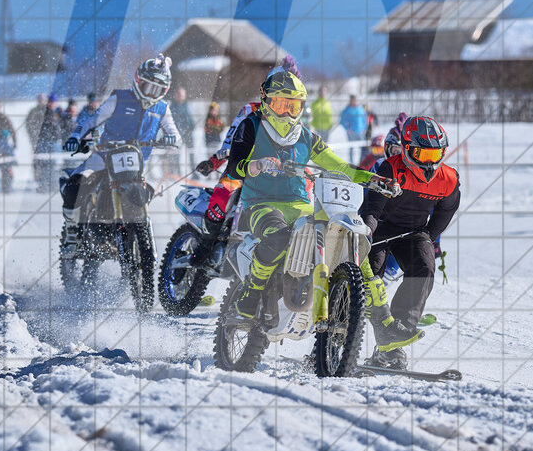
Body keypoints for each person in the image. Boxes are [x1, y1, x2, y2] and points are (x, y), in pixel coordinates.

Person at [221, 71, 397, 324]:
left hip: (301, 205)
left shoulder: (306, 137)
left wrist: (375, 180)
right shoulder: (250, 126)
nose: (286, 113)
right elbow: (233, 167)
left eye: (293, 107)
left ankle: (374, 309)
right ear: (266, 101)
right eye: (280, 105)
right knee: (279, 237)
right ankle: (250, 294)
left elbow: (341, 166)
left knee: (338, 235)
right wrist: (257, 165)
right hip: (261, 204)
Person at [359, 116, 461, 369]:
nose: (429, 162)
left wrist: (428, 236)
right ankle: (339, 334)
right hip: (379, 228)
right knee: (371, 276)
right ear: (406, 148)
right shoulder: (389, 169)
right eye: (422, 154)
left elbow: (446, 210)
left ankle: (394, 338)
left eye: (434, 155)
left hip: (413, 232)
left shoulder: (449, 179)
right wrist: (367, 231)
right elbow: (372, 207)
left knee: (424, 268)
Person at [59, 55, 180, 257]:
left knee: (147, 193)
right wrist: (75, 136)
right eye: (149, 87)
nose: (152, 93)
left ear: (165, 91)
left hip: (136, 165)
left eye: (158, 89)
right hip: (104, 157)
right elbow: (91, 121)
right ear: (138, 81)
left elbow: (176, 135)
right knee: (75, 185)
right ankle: (72, 235)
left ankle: (135, 238)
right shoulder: (119, 98)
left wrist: (171, 139)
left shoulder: (162, 108)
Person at [191, 55, 304, 266]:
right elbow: (231, 141)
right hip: (246, 170)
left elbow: (302, 150)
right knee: (224, 192)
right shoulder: (249, 110)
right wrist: (216, 160)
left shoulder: (297, 119)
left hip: (278, 177)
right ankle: (205, 246)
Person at [169, 86, 196, 174]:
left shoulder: (187, 105)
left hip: (188, 133)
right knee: (176, 153)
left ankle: (194, 171)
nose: (181, 97)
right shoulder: (173, 106)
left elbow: (189, 118)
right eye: (179, 95)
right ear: (176, 95)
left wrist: (192, 126)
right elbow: (173, 120)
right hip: (178, 133)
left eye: (183, 95)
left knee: (191, 152)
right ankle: (177, 172)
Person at [340, 95, 368, 163]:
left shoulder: (361, 109)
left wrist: (364, 129)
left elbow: (365, 119)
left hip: (361, 132)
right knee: (351, 148)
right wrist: (348, 129)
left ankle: (362, 162)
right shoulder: (346, 110)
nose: (354, 101)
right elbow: (342, 121)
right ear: (350, 100)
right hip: (351, 133)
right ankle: (351, 163)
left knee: (363, 148)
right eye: (353, 100)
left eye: (355, 100)